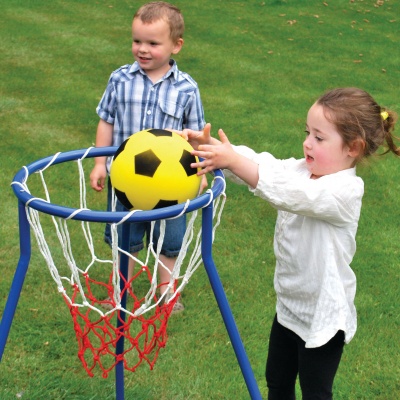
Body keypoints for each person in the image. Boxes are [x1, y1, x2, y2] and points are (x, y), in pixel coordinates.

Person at [182, 87, 399, 399]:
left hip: (323, 318)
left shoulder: (345, 191)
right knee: (278, 381)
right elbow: (263, 165)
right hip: (289, 306)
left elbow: (288, 195)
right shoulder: (302, 170)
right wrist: (217, 150)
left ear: (353, 147)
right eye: (307, 132)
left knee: (315, 392)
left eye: (319, 138)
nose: (307, 142)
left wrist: (233, 161)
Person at [89, 1, 205, 313]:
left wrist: (201, 171)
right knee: (124, 241)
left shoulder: (187, 88)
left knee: (170, 242)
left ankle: (168, 293)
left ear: (176, 46)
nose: (142, 49)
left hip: (172, 186)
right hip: (125, 181)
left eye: (153, 43)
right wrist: (100, 163)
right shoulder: (120, 79)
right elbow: (107, 119)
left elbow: (196, 136)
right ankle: (120, 292)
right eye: (137, 41)